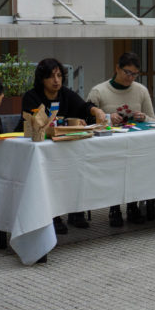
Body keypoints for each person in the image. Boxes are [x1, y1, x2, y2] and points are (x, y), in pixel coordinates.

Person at [22, 58, 107, 234]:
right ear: (42, 79)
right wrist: (66, 121)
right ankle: (53, 216)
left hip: (64, 147)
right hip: (38, 147)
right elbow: (36, 122)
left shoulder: (66, 94)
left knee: (79, 167)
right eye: (51, 76)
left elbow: (84, 107)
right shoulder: (31, 96)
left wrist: (96, 111)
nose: (56, 81)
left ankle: (76, 211)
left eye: (59, 76)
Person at [87, 51, 155, 227]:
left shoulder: (141, 91)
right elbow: (86, 119)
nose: (130, 78)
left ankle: (133, 206)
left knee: (137, 169)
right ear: (117, 68)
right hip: (107, 146)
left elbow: (153, 120)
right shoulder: (99, 91)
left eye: (134, 74)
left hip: (135, 144)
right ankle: (114, 208)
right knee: (114, 169)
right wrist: (108, 117)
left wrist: (143, 118)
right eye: (127, 72)